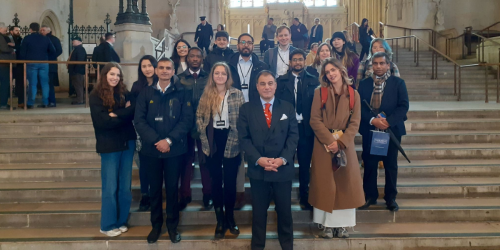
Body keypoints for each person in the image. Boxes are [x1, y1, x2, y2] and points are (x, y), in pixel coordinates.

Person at [134, 57, 193, 244]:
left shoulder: (183, 92)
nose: (165, 71)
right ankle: (156, 226)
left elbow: (186, 120)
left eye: (169, 68)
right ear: (156, 70)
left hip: (174, 150)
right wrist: (156, 141)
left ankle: (172, 227)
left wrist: (168, 140)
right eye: (161, 68)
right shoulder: (145, 92)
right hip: (151, 151)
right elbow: (139, 121)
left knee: (173, 191)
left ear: (174, 71)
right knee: (154, 190)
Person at [238, 70, 299, 250]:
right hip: (259, 169)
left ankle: (287, 245)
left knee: (285, 211)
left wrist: (282, 159)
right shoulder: (246, 109)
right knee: (258, 212)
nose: (267, 87)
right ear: (256, 86)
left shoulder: (287, 107)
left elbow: (293, 137)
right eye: (262, 84)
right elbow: (244, 139)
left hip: (282, 168)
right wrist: (258, 159)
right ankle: (257, 246)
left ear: (276, 85)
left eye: (270, 83)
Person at [308, 57, 365, 239]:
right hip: (323, 144)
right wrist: (329, 141)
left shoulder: (353, 94)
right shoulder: (320, 93)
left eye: (333, 70)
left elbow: (355, 123)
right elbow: (314, 120)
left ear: (341, 70)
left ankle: (342, 226)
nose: (331, 74)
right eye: (327, 72)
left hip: (344, 144)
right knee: (324, 183)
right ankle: (325, 225)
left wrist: (340, 143)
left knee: (345, 184)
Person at [197, 62, 245, 239]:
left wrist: (238, 138)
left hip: (232, 138)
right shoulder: (206, 95)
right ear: (212, 75)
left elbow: (242, 120)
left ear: (228, 76)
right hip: (213, 140)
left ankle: (230, 218)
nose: (219, 76)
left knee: (230, 182)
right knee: (215, 181)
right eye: (216, 73)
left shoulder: (237, 94)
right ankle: (220, 220)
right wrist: (204, 139)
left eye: (223, 73)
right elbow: (200, 118)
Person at [357, 52, 409, 212]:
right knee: (370, 164)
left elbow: (403, 106)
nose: (378, 67)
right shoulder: (365, 84)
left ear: (388, 65)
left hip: (391, 130)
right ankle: (369, 195)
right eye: (375, 64)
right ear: (371, 65)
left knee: (390, 165)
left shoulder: (398, 83)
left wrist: (388, 121)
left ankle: (390, 197)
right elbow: (358, 107)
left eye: (382, 63)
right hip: (371, 130)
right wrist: (373, 121)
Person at [89, 62, 136, 237]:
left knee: (125, 187)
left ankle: (121, 221)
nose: (115, 78)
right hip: (109, 144)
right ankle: (107, 224)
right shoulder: (95, 96)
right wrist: (123, 114)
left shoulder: (124, 93)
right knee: (110, 186)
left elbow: (133, 110)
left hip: (127, 142)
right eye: (112, 74)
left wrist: (116, 113)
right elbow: (103, 122)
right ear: (104, 75)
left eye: (117, 75)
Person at [228, 33, 270, 209]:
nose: (246, 45)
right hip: (233, 112)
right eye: (242, 42)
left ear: (253, 45)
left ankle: (258, 193)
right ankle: (239, 193)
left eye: (249, 42)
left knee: (257, 151)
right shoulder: (229, 64)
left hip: (255, 112)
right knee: (237, 154)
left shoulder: (261, 65)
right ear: (237, 45)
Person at [276, 49, 319, 210]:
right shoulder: (281, 81)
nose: (298, 62)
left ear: (305, 61)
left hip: (306, 129)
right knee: (286, 162)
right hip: (286, 129)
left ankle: (304, 195)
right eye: (294, 60)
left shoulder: (314, 81)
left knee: (304, 163)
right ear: (289, 62)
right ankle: (283, 195)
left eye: (300, 59)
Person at [177, 47, 213, 211]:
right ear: (188, 58)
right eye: (192, 56)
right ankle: (184, 194)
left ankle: (208, 195)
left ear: (202, 59)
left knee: (206, 162)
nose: (195, 59)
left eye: (198, 56)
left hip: (205, 126)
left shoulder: (209, 78)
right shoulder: (179, 79)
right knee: (186, 162)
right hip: (186, 126)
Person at [130, 55, 159, 212]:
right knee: (143, 165)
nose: (147, 69)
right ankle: (145, 194)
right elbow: (133, 109)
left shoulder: (161, 84)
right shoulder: (136, 86)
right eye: (144, 66)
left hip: (158, 130)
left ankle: (155, 193)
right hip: (142, 131)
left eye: (150, 65)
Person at [19, 22, 56, 109]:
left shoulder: (27, 38)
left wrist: (24, 60)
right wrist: (46, 57)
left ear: (30, 29)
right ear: (39, 29)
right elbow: (53, 50)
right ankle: (45, 102)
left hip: (31, 62)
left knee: (32, 83)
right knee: (45, 83)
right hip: (44, 63)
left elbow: (22, 52)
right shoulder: (45, 38)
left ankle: (30, 103)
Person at [41, 26, 62, 107]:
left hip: (51, 64)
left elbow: (59, 50)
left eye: (43, 30)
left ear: (49, 31)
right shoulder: (42, 38)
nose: (42, 31)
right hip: (45, 63)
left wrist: (50, 57)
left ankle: (52, 101)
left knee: (50, 84)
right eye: (41, 30)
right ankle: (46, 102)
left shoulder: (54, 39)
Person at [67, 36, 87, 105]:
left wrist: (76, 70)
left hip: (77, 71)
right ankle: (80, 98)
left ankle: (80, 100)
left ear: (79, 42)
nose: (73, 42)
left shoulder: (80, 49)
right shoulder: (77, 49)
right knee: (77, 85)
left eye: (74, 40)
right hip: (75, 71)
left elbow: (80, 61)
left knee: (78, 86)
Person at [0, 23, 15, 110]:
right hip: (3, 63)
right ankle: (3, 104)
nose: (6, 31)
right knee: (4, 84)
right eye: (5, 30)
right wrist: (11, 48)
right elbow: (4, 48)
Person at [8, 26, 24, 108]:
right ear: (11, 31)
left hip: (20, 64)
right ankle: (6, 102)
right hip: (10, 63)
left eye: (19, 30)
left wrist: (15, 47)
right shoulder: (7, 39)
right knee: (7, 83)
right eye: (16, 30)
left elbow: (21, 49)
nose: (18, 32)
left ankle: (21, 102)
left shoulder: (21, 39)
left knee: (20, 84)